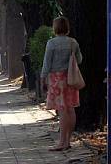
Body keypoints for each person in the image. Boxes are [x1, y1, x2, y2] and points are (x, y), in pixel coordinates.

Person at [40, 16, 82, 151]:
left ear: (55, 28)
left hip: (57, 80)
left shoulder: (51, 43)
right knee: (71, 109)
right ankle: (68, 140)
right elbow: (79, 60)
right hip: (70, 79)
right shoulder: (73, 42)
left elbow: (47, 63)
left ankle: (62, 142)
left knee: (62, 110)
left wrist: (42, 77)